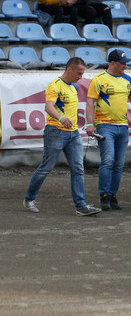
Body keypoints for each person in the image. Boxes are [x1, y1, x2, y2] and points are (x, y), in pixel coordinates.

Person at [23, 57, 102, 217]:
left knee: (78, 168)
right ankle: (29, 199)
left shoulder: (73, 87)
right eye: (79, 73)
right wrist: (60, 118)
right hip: (56, 131)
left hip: (72, 133)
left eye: (82, 74)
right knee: (47, 167)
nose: (80, 77)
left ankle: (81, 205)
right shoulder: (55, 85)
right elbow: (48, 106)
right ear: (69, 70)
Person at [86, 49, 131, 211]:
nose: (125, 66)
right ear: (112, 63)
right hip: (104, 125)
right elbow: (90, 103)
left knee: (119, 163)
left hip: (122, 126)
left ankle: (112, 195)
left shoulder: (128, 80)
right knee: (108, 160)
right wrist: (90, 124)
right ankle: (105, 195)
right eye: (122, 63)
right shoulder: (98, 80)